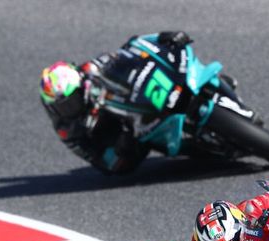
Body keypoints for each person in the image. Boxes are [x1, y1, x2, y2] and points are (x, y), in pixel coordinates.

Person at [39, 31, 195, 174]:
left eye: (70, 102)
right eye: (61, 107)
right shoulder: (66, 129)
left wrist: (161, 39)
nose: (68, 110)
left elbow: (128, 50)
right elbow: (99, 161)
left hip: (138, 97)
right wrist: (120, 148)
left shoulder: (89, 71)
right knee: (118, 165)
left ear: (80, 87)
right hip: (129, 141)